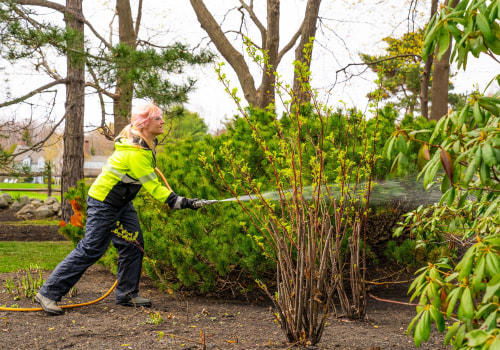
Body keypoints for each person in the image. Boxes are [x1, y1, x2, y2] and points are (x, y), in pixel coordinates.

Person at [36, 102, 200, 315]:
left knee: (133, 244)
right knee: (91, 248)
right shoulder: (136, 152)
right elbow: (154, 187)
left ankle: (127, 295)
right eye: (158, 118)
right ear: (144, 124)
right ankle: (48, 293)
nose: (163, 121)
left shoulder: (144, 145)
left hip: (121, 202)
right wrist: (182, 202)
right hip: (104, 202)